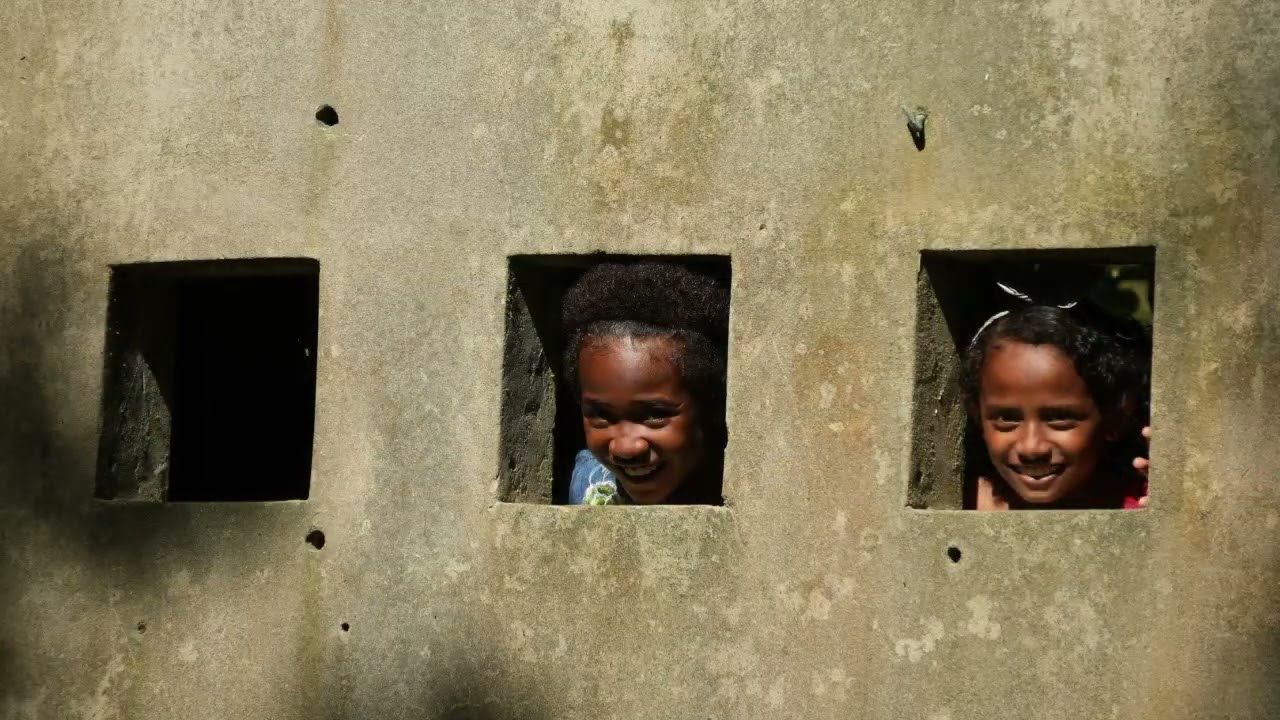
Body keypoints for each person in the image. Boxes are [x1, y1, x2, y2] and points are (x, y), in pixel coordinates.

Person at [560, 261, 729, 505]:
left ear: (712, 407)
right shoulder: (589, 483)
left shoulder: (748, 490)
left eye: (654, 414)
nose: (626, 447)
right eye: (601, 415)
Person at [961, 303, 1151, 510]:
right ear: (976, 414)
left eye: (1059, 418)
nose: (1031, 447)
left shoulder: (1146, 505)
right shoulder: (963, 503)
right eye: (1006, 419)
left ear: (1118, 414)